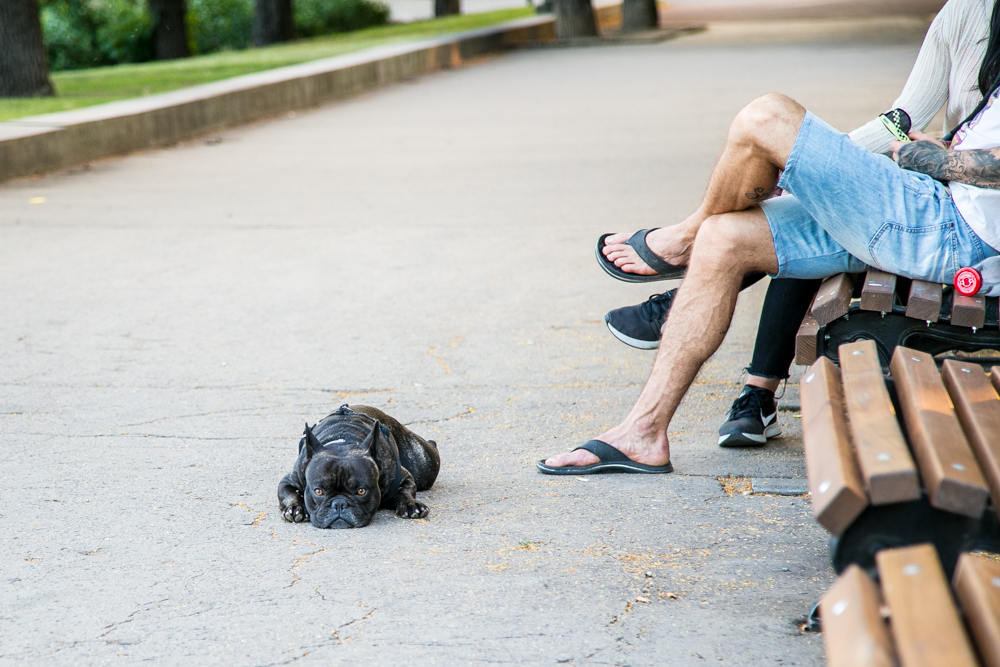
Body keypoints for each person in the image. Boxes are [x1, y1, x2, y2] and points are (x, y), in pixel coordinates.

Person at [537, 0, 1000, 474]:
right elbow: (906, 117)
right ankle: (643, 432)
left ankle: (680, 241)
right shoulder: (971, 13)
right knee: (723, 236)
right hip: (937, 207)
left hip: (957, 234)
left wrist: (925, 157)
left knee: (766, 116)